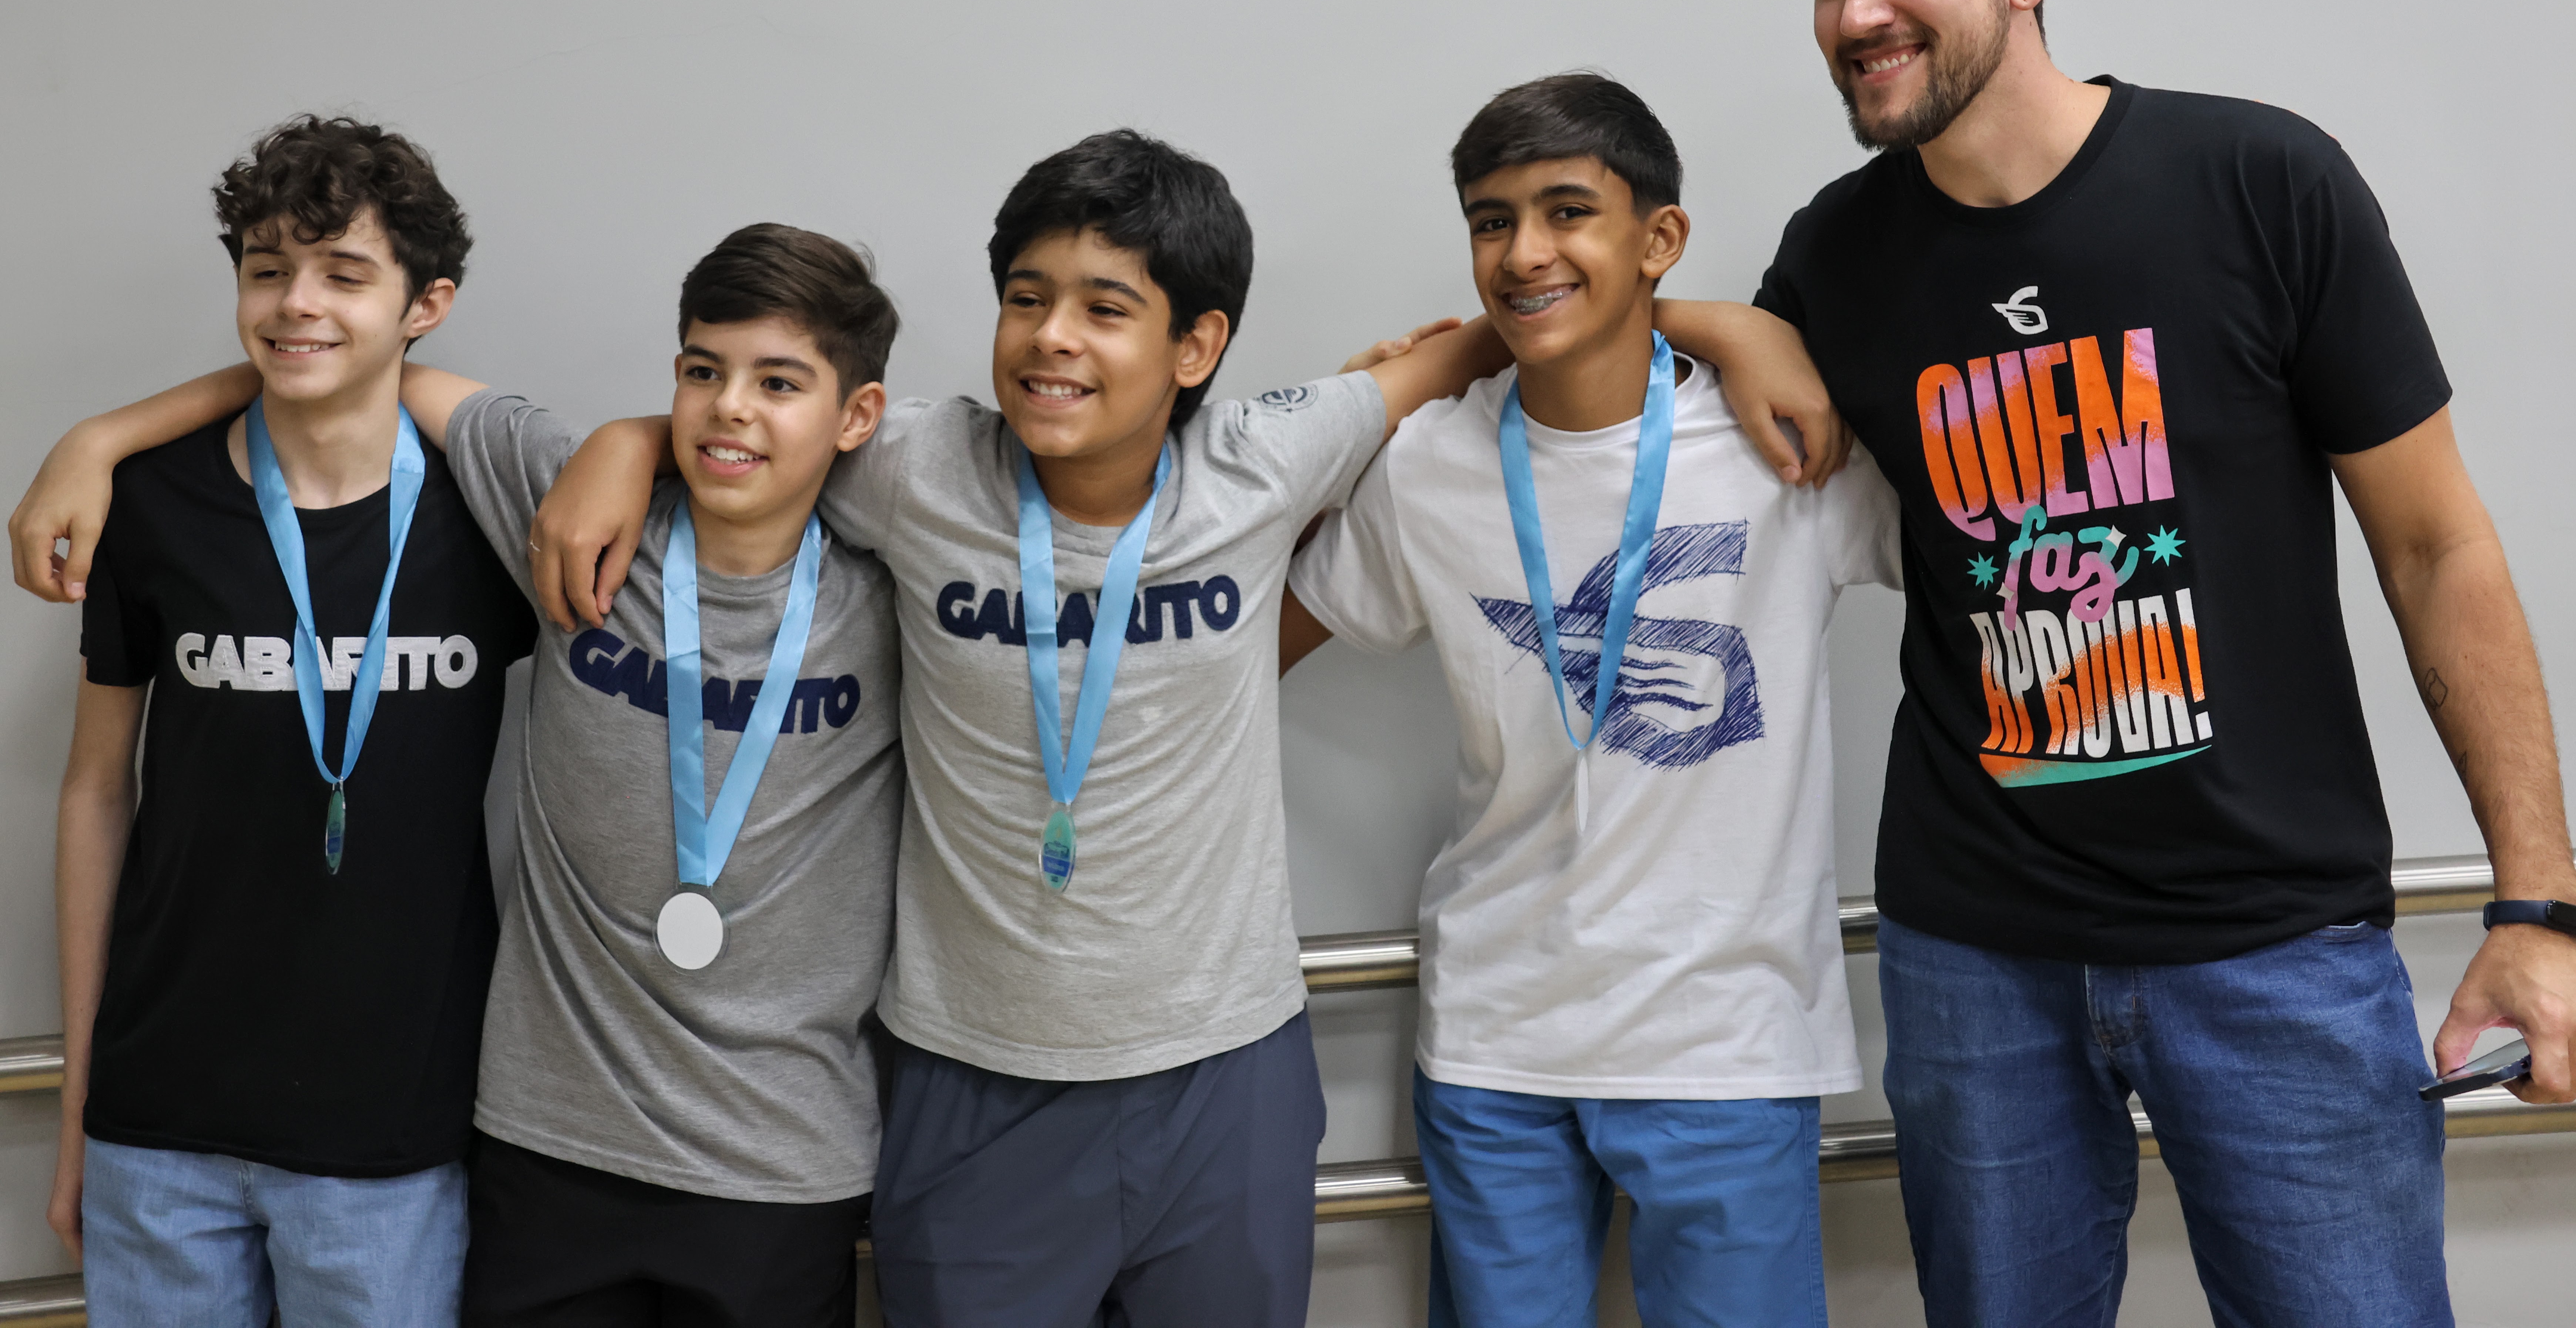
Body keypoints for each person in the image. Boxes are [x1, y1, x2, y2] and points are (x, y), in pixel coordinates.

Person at [529, 127, 1840, 1326]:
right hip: (977, 1081)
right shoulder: (916, 468)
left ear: (1197, 347)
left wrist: (1729, 327)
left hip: (1225, 1082)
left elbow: (1491, 339)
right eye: (1027, 299)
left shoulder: (1264, 461)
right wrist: (626, 443)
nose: (1053, 340)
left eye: (1108, 309)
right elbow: (757, 422)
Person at [1753, 0, 2576, 1326]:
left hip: (2275, 948)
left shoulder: (2259, 184)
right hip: (1973, 955)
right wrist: (1703, 321)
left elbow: (2437, 547)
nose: (1857, 11)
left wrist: (2538, 908)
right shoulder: (1833, 257)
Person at [17, 221, 909, 1327]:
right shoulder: (563, 518)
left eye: (777, 383)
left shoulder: (897, 593)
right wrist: (101, 437)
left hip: (770, 1161)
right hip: (543, 1147)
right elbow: (341, 365)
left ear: (856, 416)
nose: (731, 407)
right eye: (701, 374)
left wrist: (634, 439)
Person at [1280, 72, 1896, 1328]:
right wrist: (1349, 432)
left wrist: (1741, 329)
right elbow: (1239, 642)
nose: (1524, 253)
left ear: (1659, 238)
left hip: (1727, 1039)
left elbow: (1986, 565)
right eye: (1491, 221)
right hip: (1496, 1039)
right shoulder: (1429, 459)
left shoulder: (1788, 438)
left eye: (1568, 212)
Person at [15, 117, 536, 1327]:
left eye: (345, 274)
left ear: (427, 304)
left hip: (393, 1137)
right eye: (268, 269)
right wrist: (83, 1103)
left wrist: (99, 426)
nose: (297, 303)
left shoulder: (493, 516)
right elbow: (96, 792)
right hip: (160, 1127)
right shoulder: (154, 503)